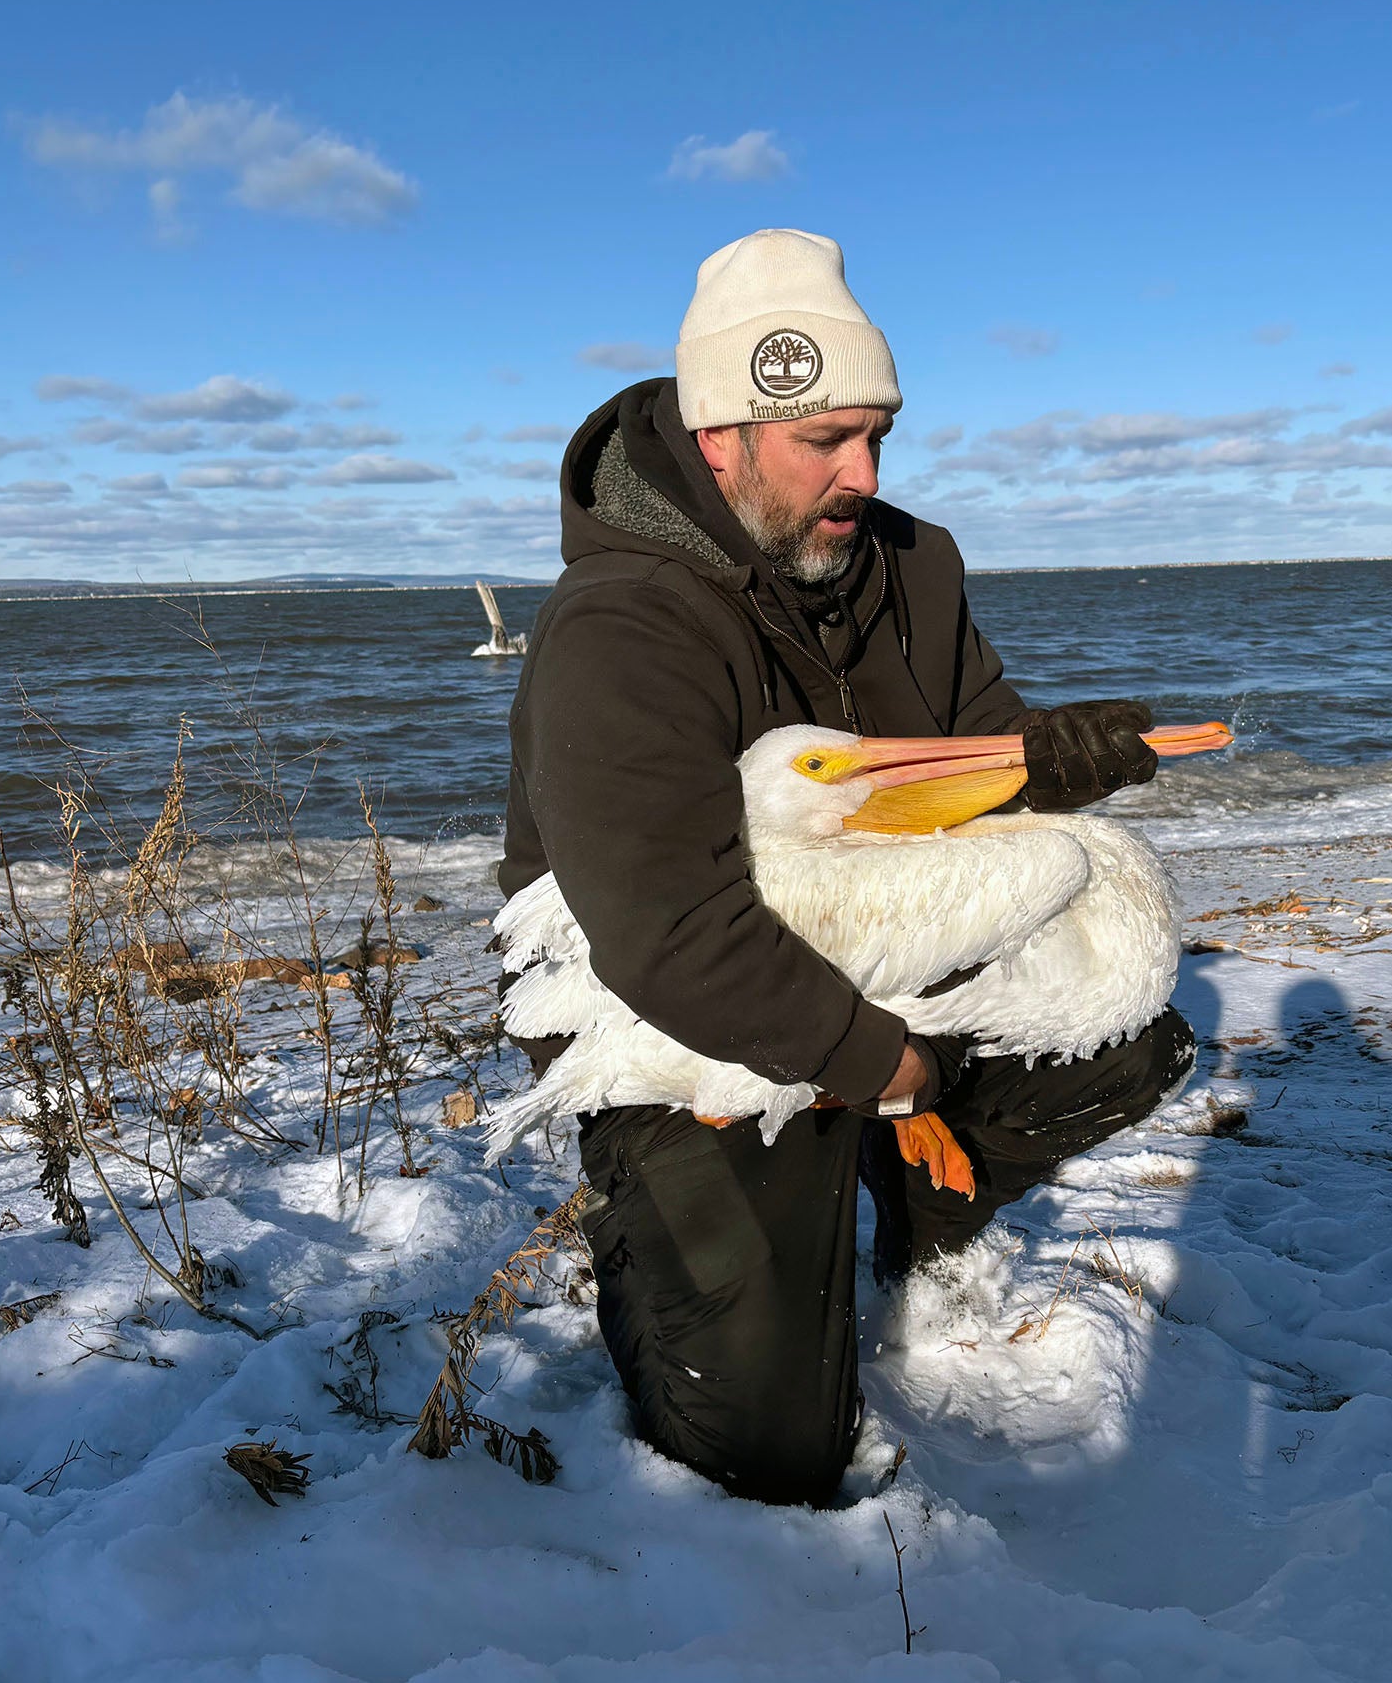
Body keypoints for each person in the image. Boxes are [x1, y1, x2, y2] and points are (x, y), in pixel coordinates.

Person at [500, 229, 1195, 1507]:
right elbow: (669, 932)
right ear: (722, 435)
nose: (862, 473)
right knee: (772, 1451)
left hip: (865, 947)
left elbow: (961, 780)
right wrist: (887, 1062)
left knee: (1126, 1032)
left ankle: (913, 1213)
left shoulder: (912, 566)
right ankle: (665, 1241)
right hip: (662, 1012)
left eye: (877, 432)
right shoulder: (623, 628)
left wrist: (1052, 762)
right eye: (824, 439)